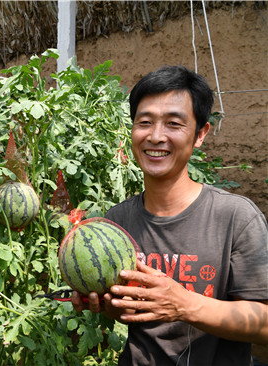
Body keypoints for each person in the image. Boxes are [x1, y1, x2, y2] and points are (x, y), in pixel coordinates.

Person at [72, 65, 268, 365]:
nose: (156, 136)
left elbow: (264, 323)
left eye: (174, 124)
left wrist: (182, 304)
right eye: (145, 122)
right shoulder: (116, 222)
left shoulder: (236, 217)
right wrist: (111, 306)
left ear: (200, 134)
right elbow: (129, 310)